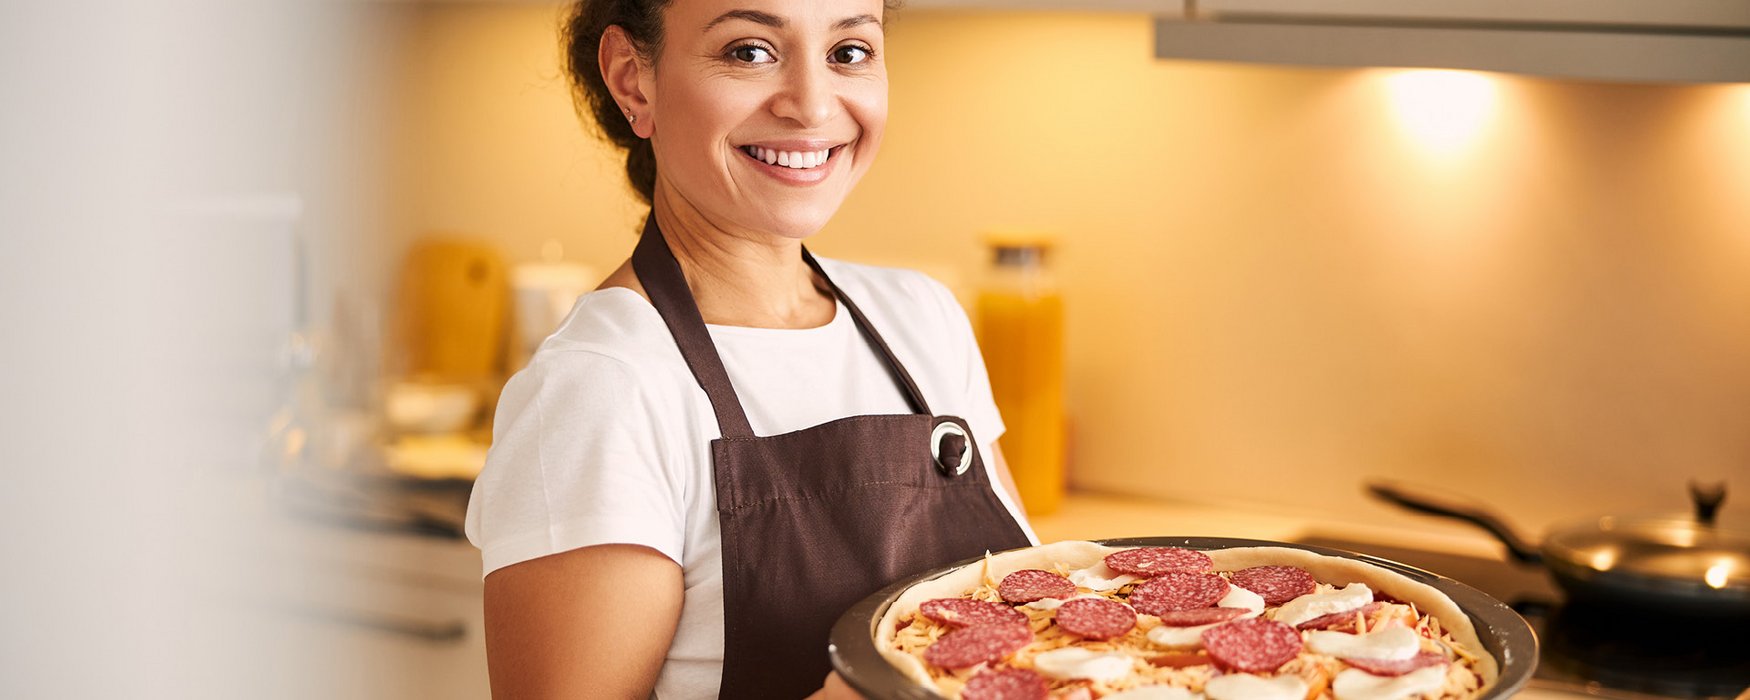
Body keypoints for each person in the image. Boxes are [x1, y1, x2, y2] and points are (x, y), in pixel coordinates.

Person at [464, 1, 1038, 697]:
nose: (812, 104)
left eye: (849, 52)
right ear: (632, 81)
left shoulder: (922, 321)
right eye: (749, 51)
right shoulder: (602, 391)